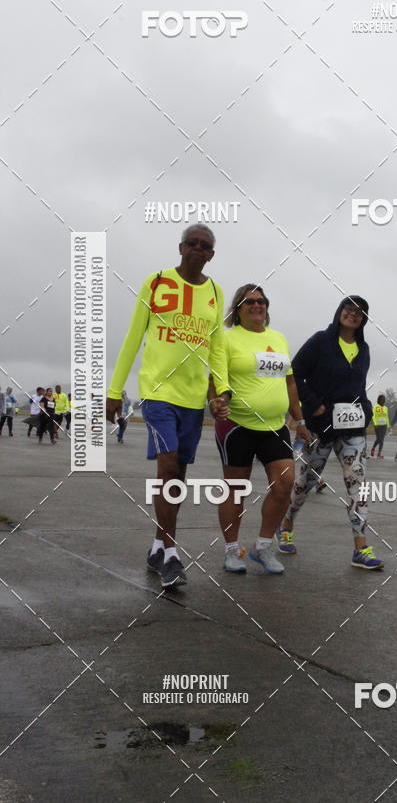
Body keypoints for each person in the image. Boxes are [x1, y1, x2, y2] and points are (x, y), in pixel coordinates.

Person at [106, 224, 230, 588]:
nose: (196, 248)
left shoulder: (215, 291)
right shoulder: (156, 282)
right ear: (180, 247)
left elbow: (217, 346)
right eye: (191, 242)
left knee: (178, 476)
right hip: (158, 393)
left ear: (211, 254)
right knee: (167, 465)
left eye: (204, 245)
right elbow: (133, 337)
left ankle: (158, 544)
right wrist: (115, 391)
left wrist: (222, 390)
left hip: (193, 400)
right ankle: (173, 555)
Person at [278, 295, 384, 570]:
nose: (353, 314)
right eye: (349, 309)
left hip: (352, 429)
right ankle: (286, 524)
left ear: (364, 319)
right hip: (321, 427)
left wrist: (367, 409)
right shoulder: (320, 341)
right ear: (340, 311)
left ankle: (361, 547)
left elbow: (359, 384)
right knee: (307, 481)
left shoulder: (364, 348)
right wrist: (313, 407)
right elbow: (295, 374)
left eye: (360, 312)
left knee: (357, 485)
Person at [211, 284, 311, 575]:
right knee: (236, 489)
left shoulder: (278, 339)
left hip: (274, 425)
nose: (257, 305)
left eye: (261, 301)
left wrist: (300, 420)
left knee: (284, 484)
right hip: (236, 425)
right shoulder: (227, 340)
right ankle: (232, 550)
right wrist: (215, 402)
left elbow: (290, 382)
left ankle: (262, 546)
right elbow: (215, 379)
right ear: (238, 309)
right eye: (249, 301)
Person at [370, 394, 390, 458]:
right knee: (379, 439)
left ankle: (379, 453)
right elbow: (373, 416)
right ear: (379, 400)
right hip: (377, 426)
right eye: (381, 399)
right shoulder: (375, 407)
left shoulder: (385, 408)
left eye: (384, 399)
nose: (383, 401)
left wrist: (388, 426)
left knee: (382, 440)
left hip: (384, 425)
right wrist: (375, 424)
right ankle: (373, 448)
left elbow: (386, 417)